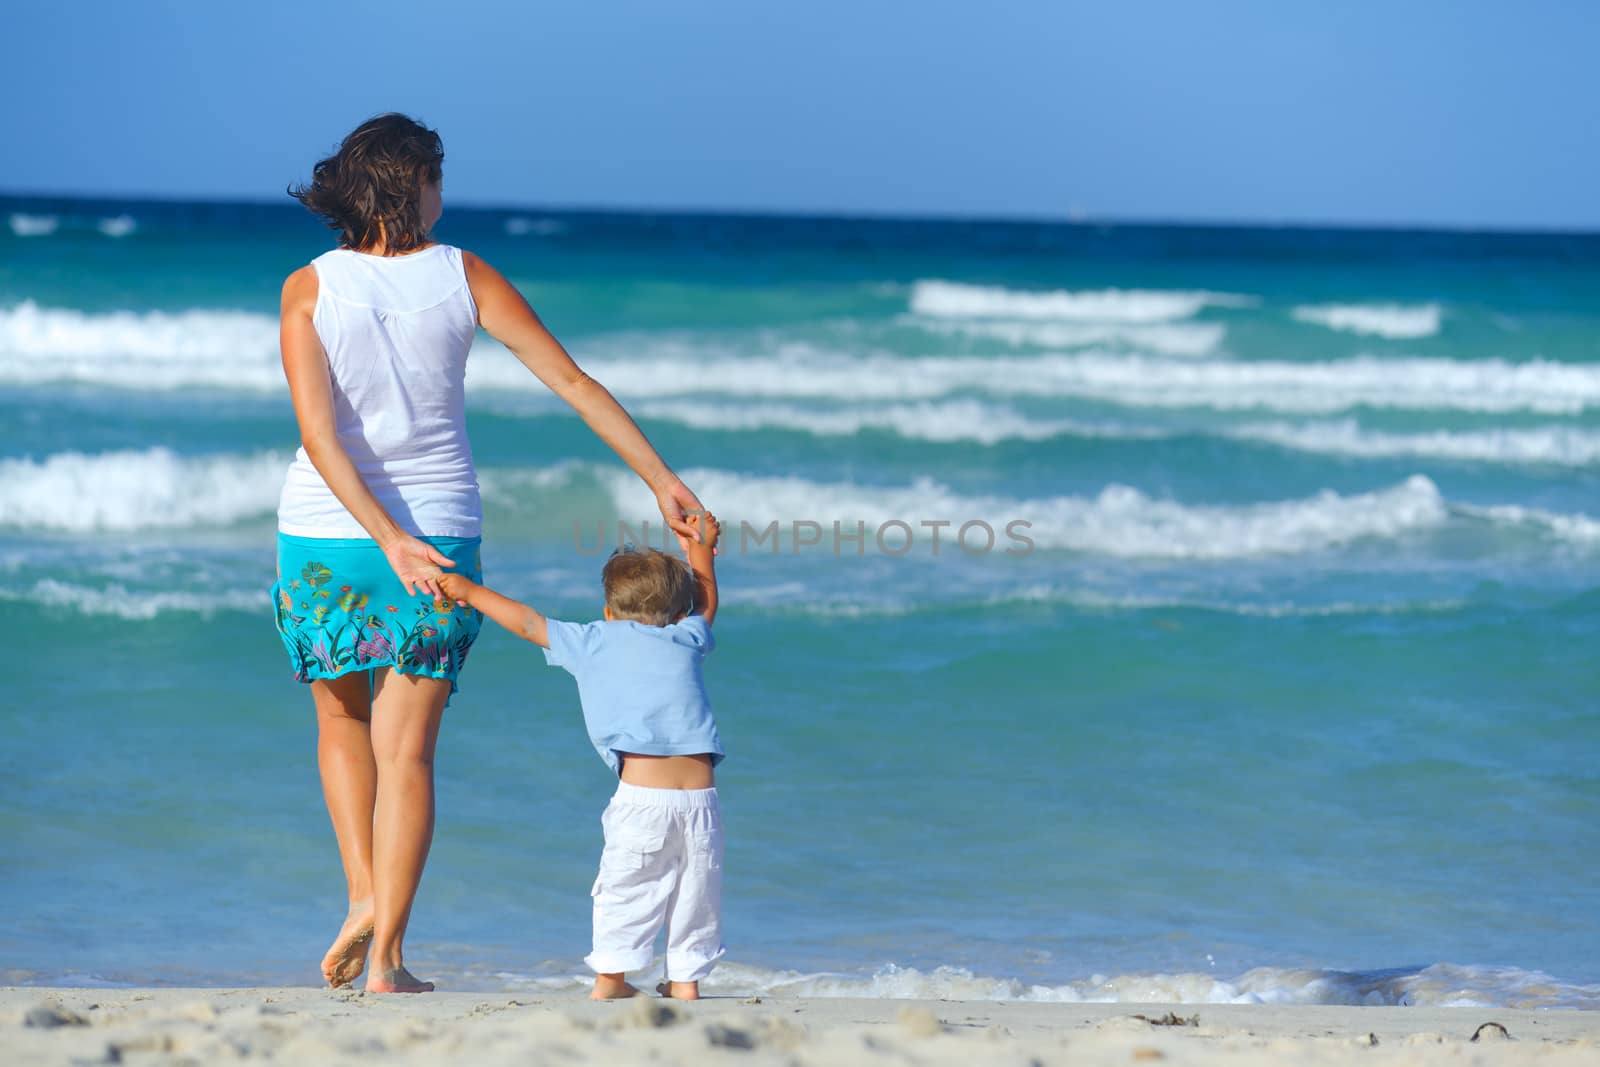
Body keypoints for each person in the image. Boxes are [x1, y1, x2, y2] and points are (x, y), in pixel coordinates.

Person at [271, 113, 705, 994]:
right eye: (437, 176)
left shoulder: (307, 288)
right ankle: (387, 955)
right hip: (436, 536)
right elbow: (573, 382)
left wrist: (377, 537)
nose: (443, 192)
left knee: (340, 722)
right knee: (411, 754)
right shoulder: (464, 275)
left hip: (322, 535)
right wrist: (662, 479)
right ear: (412, 183)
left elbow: (320, 439)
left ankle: (360, 894)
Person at [435, 510, 725, 1000]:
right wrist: (701, 546)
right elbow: (708, 601)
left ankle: (611, 982)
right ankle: (685, 985)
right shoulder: (687, 635)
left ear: (610, 611)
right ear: (678, 612)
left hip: (643, 800)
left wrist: (466, 592)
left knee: (626, 889)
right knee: (697, 897)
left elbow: (527, 623)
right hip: (702, 803)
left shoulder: (592, 638)